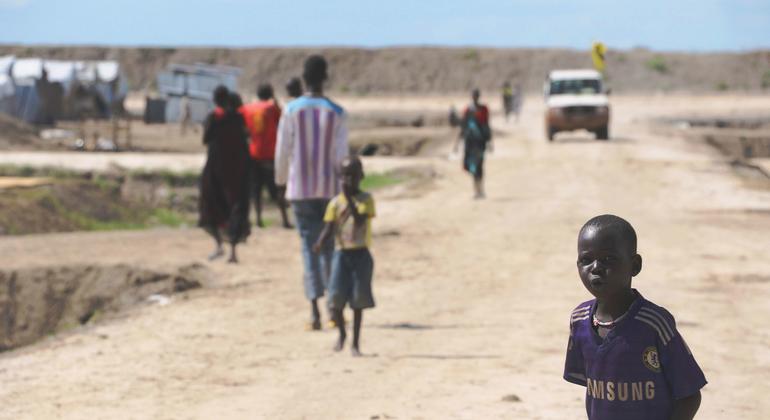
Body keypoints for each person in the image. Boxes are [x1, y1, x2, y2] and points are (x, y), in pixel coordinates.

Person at [564, 215, 706, 420]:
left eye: (608, 259)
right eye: (586, 260)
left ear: (635, 265)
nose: (595, 268)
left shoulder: (653, 324)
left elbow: (690, 395)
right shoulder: (579, 321)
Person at [275, 55, 349, 330]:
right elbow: (341, 157)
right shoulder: (337, 113)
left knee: (309, 248)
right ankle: (333, 309)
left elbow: (283, 150)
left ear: (304, 79)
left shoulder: (292, 110)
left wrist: (281, 180)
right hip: (329, 190)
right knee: (329, 247)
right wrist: (345, 192)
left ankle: (314, 311)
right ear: (325, 78)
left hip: (301, 190)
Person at [313, 156, 375, 356]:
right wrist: (320, 242)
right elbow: (329, 227)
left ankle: (355, 343)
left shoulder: (366, 199)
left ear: (361, 176)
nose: (349, 180)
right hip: (341, 255)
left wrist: (348, 198)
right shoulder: (334, 203)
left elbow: (359, 221)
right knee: (335, 298)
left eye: (353, 175)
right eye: (345, 175)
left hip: (361, 255)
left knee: (358, 301)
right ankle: (342, 334)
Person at [198, 86, 251, 263]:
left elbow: (205, 139)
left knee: (211, 204)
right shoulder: (238, 118)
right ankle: (233, 252)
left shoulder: (214, 117)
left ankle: (219, 245)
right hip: (236, 169)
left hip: (215, 168)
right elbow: (245, 140)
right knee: (235, 207)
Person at [242, 83, 292, 229]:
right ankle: (284, 220)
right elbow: (282, 119)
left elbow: (245, 129)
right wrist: (275, 101)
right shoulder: (272, 108)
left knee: (256, 188)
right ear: (270, 94)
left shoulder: (248, 108)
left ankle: (258, 220)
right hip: (270, 153)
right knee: (277, 188)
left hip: (254, 152)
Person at [454, 88, 492, 199]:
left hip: (480, 142)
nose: (475, 97)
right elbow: (463, 127)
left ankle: (481, 190)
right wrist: (457, 144)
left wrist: (490, 141)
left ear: (478, 97)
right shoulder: (467, 110)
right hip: (470, 143)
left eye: (476, 95)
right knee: (471, 166)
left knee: (479, 165)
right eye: (474, 96)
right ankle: (476, 190)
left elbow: (487, 125)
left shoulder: (484, 109)